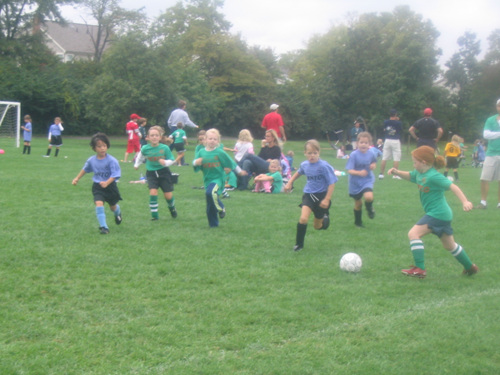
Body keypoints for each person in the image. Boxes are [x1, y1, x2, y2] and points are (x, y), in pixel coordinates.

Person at [388, 145, 478, 278]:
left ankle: (420, 268)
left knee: (413, 234)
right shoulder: (420, 173)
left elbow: (453, 186)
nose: (413, 165)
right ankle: (470, 267)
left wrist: (465, 201)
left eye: (415, 162)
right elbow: (410, 176)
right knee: (450, 246)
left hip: (438, 214)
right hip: (443, 215)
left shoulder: (433, 176)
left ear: (424, 162)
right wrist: (397, 172)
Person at [284, 140, 337, 252]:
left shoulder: (324, 166)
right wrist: (289, 182)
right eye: (309, 153)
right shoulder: (304, 165)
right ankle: (299, 245)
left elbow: (332, 183)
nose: (312, 155)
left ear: (319, 152)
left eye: (314, 153)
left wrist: (327, 199)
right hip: (308, 195)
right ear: (305, 153)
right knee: (303, 219)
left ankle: (325, 217)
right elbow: (299, 172)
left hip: (321, 197)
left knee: (317, 227)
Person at [193, 128, 247, 227]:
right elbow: (195, 164)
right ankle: (213, 225)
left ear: (218, 141)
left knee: (210, 192)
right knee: (210, 201)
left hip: (218, 179)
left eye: (215, 139)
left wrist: (239, 171)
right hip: (207, 180)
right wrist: (196, 162)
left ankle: (220, 208)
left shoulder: (220, 152)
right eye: (210, 138)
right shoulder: (201, 152)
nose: (212, 141)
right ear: (205, 139)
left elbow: (231, 162)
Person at [72, 133, 122, 235]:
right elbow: (85, 169)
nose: (102, 148)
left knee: (113, 206)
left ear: (107, 146)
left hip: (110, 186)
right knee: (99, 204)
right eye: (99, 146)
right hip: (98, 186)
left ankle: (118, 213)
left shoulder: (112, 161)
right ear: (94, 148)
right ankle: (104, 227)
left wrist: (107, 182)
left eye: (104, 146)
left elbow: (115, 174)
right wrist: (77, 178)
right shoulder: (91, 160)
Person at [134, 126, 182, 221]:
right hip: (151, 174)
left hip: (164, 173)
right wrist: (137, 164)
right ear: (148, 137)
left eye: (156, 135)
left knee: (168, 195)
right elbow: (140, 157)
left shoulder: (164, 148)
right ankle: (155, 216)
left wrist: (165, 162)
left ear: (160, 137)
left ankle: (172, 208)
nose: (154, 137)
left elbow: (172, 160)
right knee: (153, 192)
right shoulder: (145, 148)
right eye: (152, 135)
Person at [346, 132, 377, 228]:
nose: (363, 144)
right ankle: (358, 223)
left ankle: (369, 208)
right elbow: (349, 170)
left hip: (367, 180)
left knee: (369, 197)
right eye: (361, 142)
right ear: (357, 143)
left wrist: (373, 166)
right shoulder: (354, 155)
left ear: (369, 144)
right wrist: (359, 173)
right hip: (355, 182)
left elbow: (374, 162)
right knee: (358, 204)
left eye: (366, 143)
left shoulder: (371, 153)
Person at [476, 98, 500, 209]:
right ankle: (483, 203)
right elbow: (486, 135)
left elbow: (490, 134)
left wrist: (494, 134)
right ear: (497, 107)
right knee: (484, 178)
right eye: (499, 106)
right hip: (491, 153)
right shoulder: (490, 120)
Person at [378, 109, 403, 179]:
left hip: (387, 140)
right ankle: (395, 175)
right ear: (395, 115)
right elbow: (400, 130)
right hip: (395, 140)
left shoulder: (385, 122)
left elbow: (384, 129)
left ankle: (381, 174)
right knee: (396, 158)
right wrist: (397, 120)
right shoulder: (398, 123)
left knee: (384, 157)